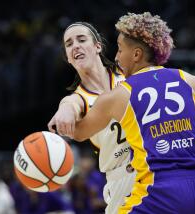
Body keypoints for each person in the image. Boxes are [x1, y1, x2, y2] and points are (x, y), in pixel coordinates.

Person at [68, 12, 195, 213]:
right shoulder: (192, 81)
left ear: (136, 54)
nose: (116, 57)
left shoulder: (119, 95)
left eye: (120, 49)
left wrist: (70, 104)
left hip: (161, 193)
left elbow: (78, 132)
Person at [47, 22, 136, 214]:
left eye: (81, 39)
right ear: (68, 58)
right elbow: (71, 104)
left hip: (156, 166)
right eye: (69, 44)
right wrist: (65, 110)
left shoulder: (127, 73)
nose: (75, 46)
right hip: (122, 180)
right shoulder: (79, 98)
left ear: (98, 46)